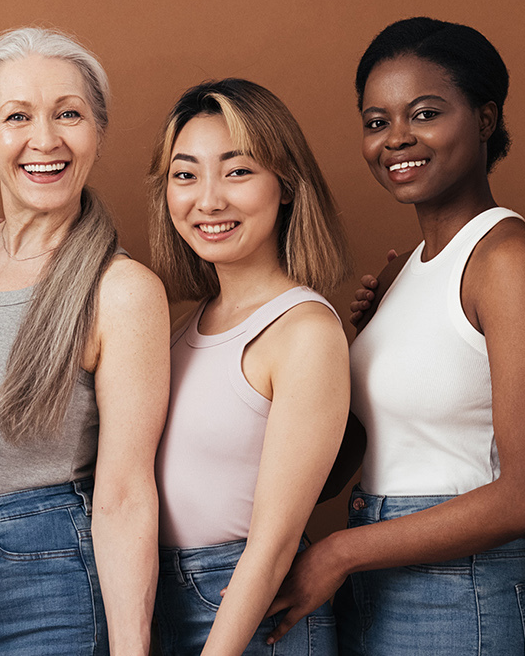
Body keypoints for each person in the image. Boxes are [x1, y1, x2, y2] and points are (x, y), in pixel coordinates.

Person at [272, 17, 525, 655]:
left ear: (486, 119)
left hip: (461, 595)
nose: (396, 139)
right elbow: (347, 454)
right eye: (376, 122)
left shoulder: (507, 262)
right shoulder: (403, 270)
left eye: (425, 113)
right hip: (379, 583)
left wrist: (340, 553)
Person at [0, 26, 169, 656]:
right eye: (17, 116)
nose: (44, 139)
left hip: (49, 586)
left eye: (68, 114)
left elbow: (126, 493)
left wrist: (133, 649)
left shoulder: (121, 291)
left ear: (96, 134)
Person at [148, 79, 352, 655]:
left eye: (237, 172)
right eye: (185, 175)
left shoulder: (305, 331)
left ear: (285, 186)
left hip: (243, 610)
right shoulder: (178, 324)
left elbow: (274, 542)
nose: (208, 200)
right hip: (157, 595)